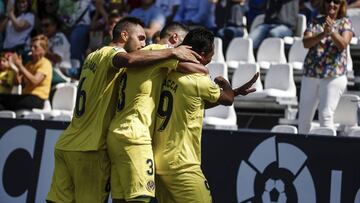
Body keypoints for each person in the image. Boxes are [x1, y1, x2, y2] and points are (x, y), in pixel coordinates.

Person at [46, 17, 200, 203]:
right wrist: (172, 52)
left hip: (66, 142)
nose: (144, 44)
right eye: (141, 38)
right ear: (125, 35)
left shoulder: (91, 56)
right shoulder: (113, 53)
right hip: (89, 148)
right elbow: (127, 59)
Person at [153, 28, 259, 203]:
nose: (212, 58)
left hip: (158, 161)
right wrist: (226, 85)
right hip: (183, 164)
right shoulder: (198, 80)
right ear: (202, 54)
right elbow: (227, 100)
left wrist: (236, 92)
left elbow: (195, 104)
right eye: (212, 53)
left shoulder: (166, 71)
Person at [106, 22, 207, 203]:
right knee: (141, 198)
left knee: (120, 199)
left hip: (115, 133)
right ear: (175, 39)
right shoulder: (161, 52)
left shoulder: (138, 56)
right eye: (187, 46)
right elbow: (196, 68)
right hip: (135, 135)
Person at [298, 0, 354, 134]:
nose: (332, 4)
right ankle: (301, 150)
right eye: (329, 1)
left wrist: (332, 32)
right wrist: (323, 33)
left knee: (325, 116)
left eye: (337, 2)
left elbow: (343, 44)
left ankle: (327, 152)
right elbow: (306, 43)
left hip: (333, 75)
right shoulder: (315, 21)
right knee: (303, 119)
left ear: (341, 5)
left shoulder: (345, 22)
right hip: (310, 75)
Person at [0, 34, 52, 110]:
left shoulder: (45, 63)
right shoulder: (29, 64)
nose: (32, 49)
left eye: (35, 47)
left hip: (37, 99)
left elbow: (35, 81)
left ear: (43, 49)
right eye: (31, 46)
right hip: (26, 96)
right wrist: (15, 68)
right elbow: (18, 83)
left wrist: (20, 66)